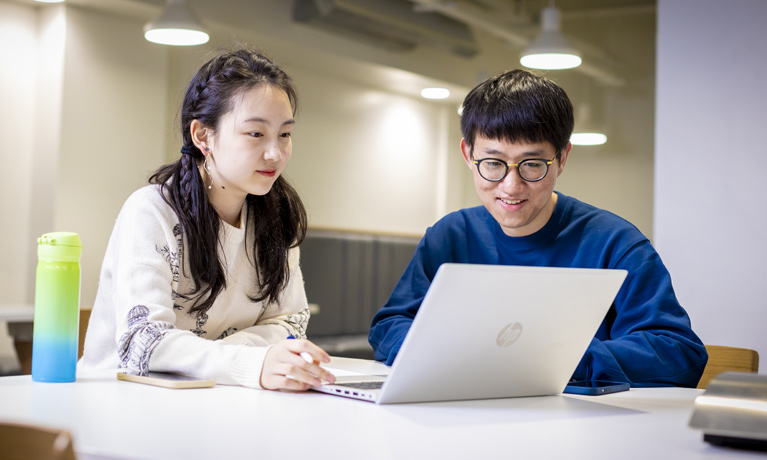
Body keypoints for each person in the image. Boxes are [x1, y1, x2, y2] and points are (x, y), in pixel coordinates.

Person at [368, 69, 708, 387]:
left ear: (562, 158)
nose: (511, 187)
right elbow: (389, 326)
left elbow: (679, 352)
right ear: (468, 153)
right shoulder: (450, 236)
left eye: (532, 164)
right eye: (493, 163)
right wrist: (441, 351)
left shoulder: (615, 244)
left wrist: (557, 359)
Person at [80, 46, 336, 391]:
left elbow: (291, 322)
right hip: (120, 398)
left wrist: (220, 357)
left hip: (215, 396)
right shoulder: (150, 211)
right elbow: (146, 341)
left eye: (285, 134)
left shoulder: (277, 217)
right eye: (256, 133)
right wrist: (250, 361)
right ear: (203, 135)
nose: (275, 152)